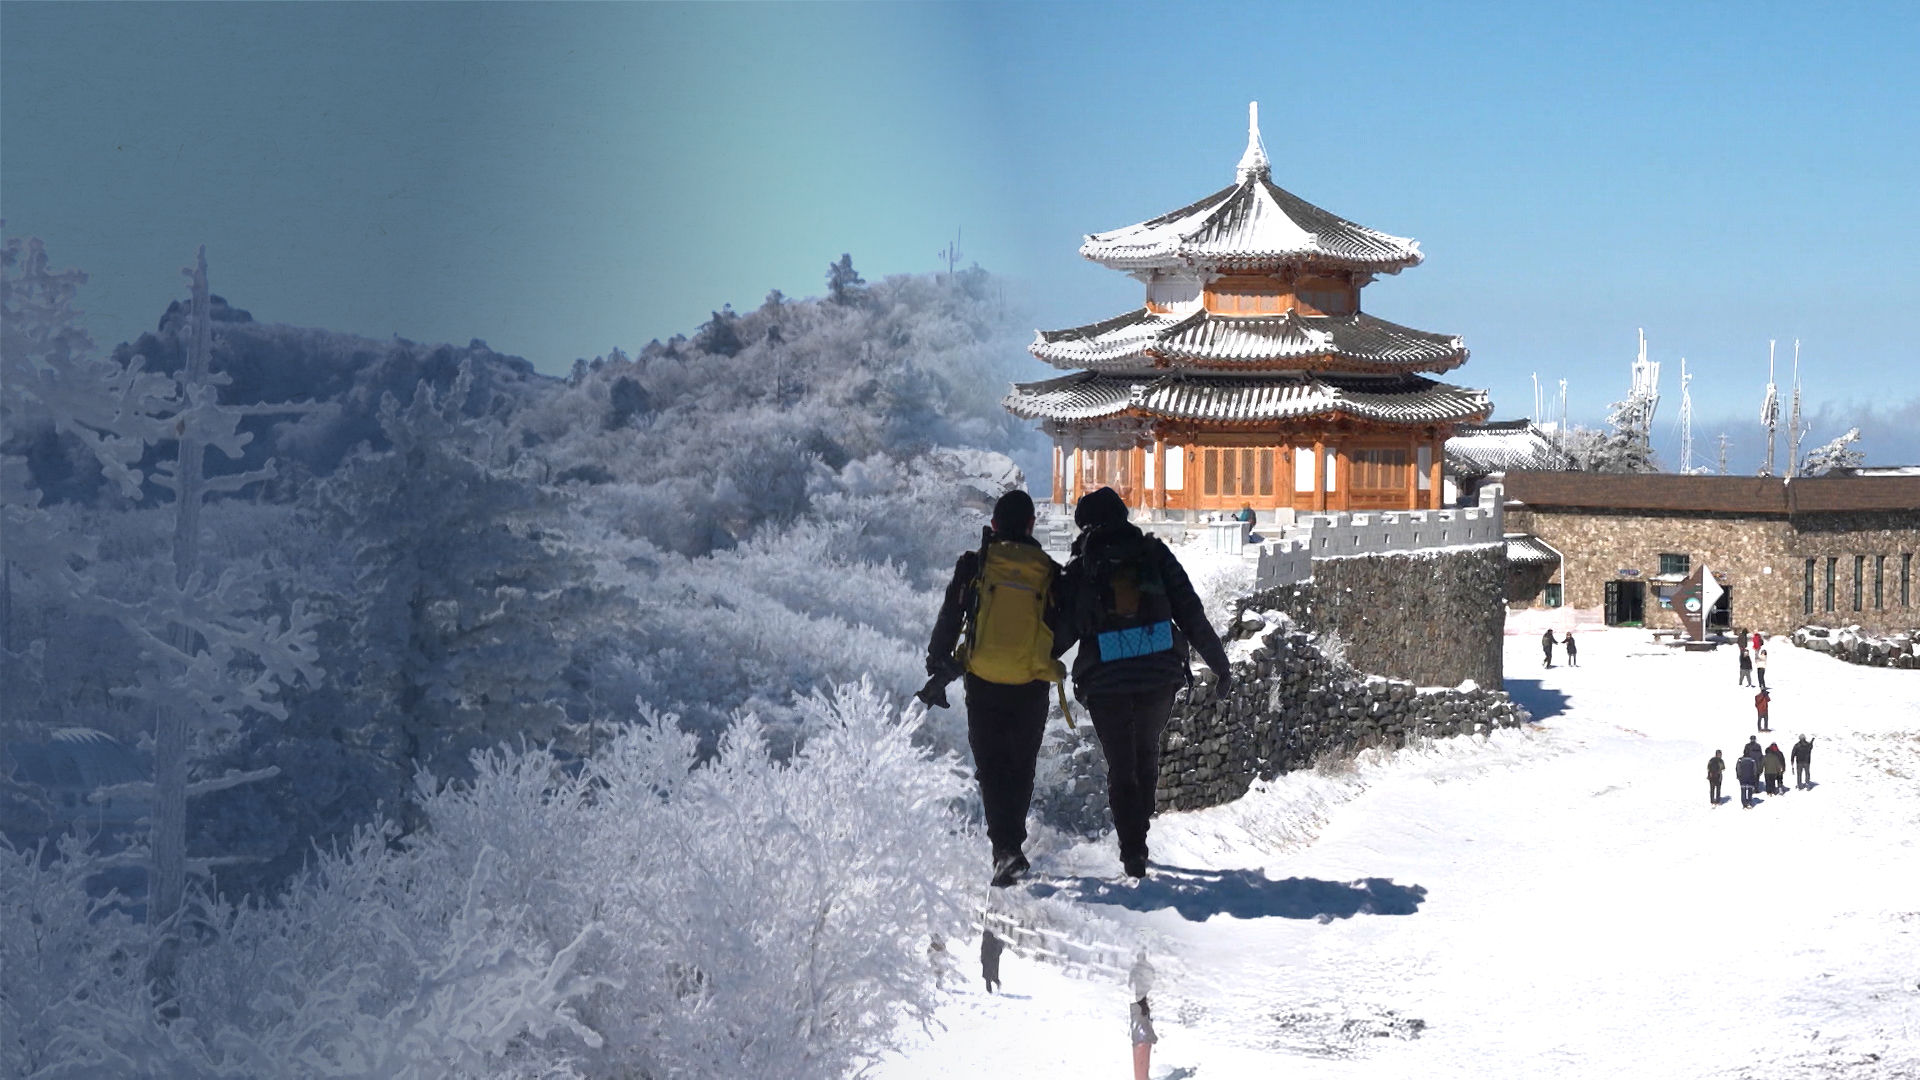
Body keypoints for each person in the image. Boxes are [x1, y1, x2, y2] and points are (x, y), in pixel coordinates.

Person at [1059, 487, 1232, 879]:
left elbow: (1063, 632)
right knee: (1146, 752)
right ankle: (1141, 825)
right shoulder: (1155, 555)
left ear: (1086, 524)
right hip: (1158, 674)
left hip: (1104, 680)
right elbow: (1190, 612)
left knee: (1120, 766)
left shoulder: (1083, 565)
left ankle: (1132, 849)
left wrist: (1025, 669)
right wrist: (1221, 667)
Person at [924, 489, 1064, 887]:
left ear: (994, 526)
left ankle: (1003, 850)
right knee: (1020, 767)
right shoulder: (1048, 569)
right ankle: (1010, 847)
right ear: (1032, 525)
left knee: (992, 766)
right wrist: (1041, 655)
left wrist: (939, 667)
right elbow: (1061, 624)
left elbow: (951, 615)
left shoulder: (975, 565)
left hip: (982, 679)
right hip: (1031, 682)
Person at [1129, 952, 1157, 1080]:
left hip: (1141, 994)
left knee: (1140, 1003)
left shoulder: (1142, 967)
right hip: (1141, 996)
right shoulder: (1144, 967)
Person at [980, 928, 1003, 994]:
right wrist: (982, 959)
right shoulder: (984, 942)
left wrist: (995, 955)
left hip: (993, 961)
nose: (984, 938)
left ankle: (998, 984)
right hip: (986, 962)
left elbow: (1000, 946)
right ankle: (989, 991)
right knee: (987, 977)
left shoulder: (994, 941)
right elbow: (983, 951)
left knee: (993, 976)